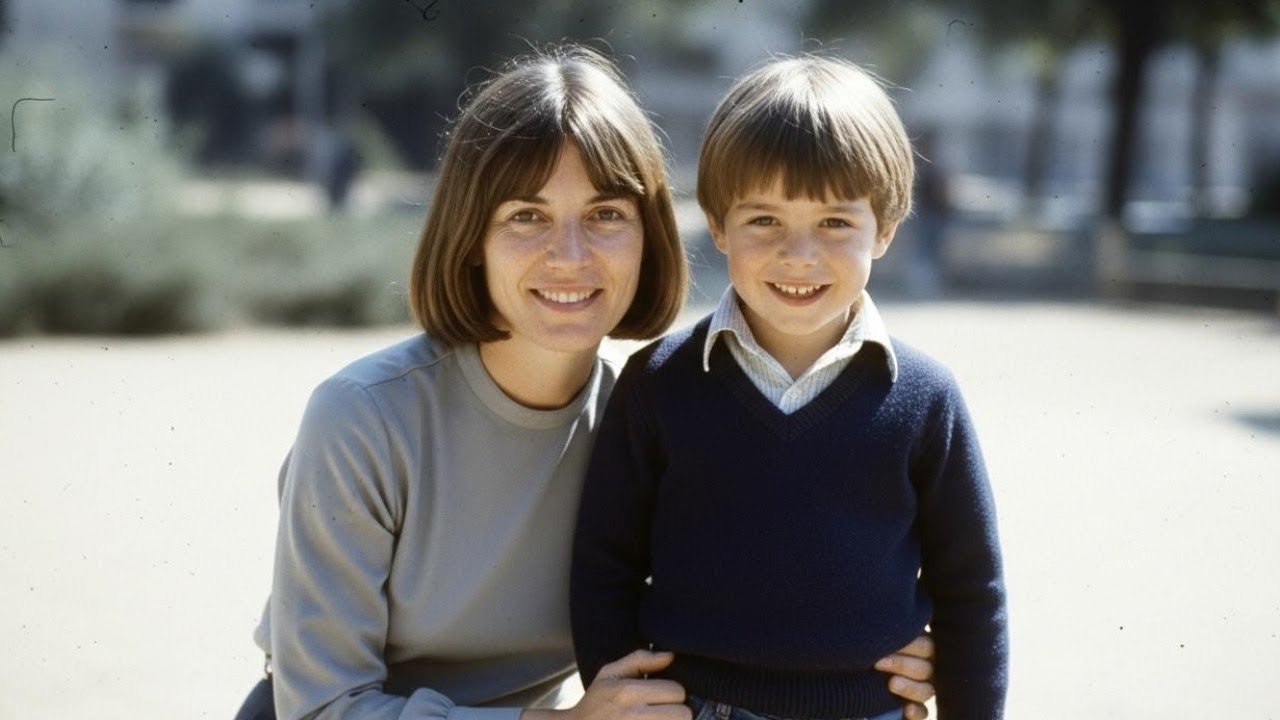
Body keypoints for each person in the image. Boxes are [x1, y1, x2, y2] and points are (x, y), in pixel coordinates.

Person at [234, 47, 939, 720]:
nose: (568, 256)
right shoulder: (362, 419)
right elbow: (324, 706)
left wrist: (887, 651)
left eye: (605, 215)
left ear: (649, 234)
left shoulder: (652, 420)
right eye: (526, 216)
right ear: (469, 236)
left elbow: (756, 591)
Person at [570, 56, 1006, 720]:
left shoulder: (924, 400)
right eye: (765, 221)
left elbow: (971, 590)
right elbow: (604, 567)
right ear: (718, 226)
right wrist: (622, 697)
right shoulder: (659, 383)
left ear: (884, 229)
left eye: (834, 223)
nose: (798, 254)